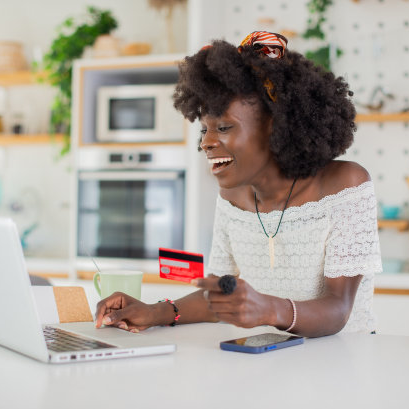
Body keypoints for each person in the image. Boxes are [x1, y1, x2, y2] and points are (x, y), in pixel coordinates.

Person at [94, 31, 382, 337]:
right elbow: (218, 297)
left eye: (224, 127)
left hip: (346, 365)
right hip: (272, 364)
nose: (206, 142)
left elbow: (337, 309)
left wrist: (269, 309)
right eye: (204, 129)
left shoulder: (345, 185)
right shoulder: (232, 196)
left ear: (276, 126)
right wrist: (154, 311)